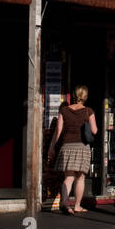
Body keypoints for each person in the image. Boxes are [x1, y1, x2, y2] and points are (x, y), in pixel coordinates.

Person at [48, 85, 96, 214]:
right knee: (80, 178)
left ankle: (64, 203)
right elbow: (94, 130)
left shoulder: (64, 110)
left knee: (68, 177)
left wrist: (52, 147)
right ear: (85, 97)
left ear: (74, 95)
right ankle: (77, 206)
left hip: (67, 146)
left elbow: (58, 131)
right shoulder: (88, 111)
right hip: (82, 146)